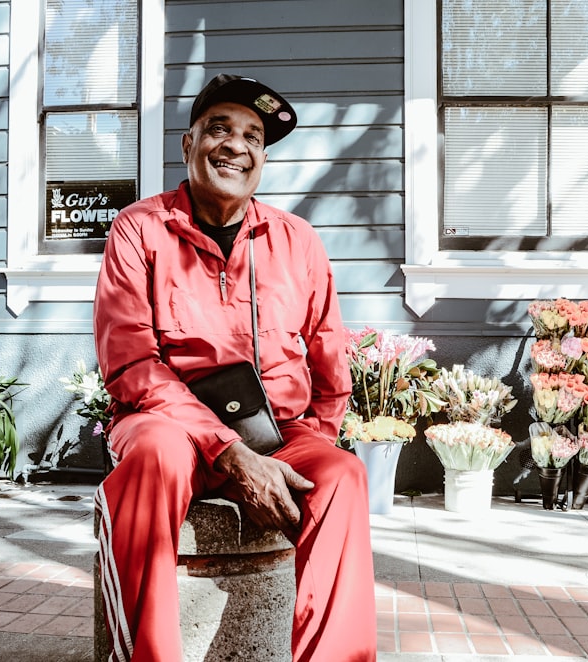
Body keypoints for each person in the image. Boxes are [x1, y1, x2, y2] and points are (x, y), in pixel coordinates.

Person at [92, 73, 377, 662]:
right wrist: (226, 450)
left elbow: (329, 361)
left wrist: (308, 444)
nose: (235, 145)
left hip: (278, 433)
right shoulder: (139, 230)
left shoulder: (298, 241)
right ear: (188, 144)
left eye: (252, 135)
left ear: (263, 157)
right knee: (155, 458)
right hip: (167, 425)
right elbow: (131, 363)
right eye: (218, 128)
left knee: (342, 476)